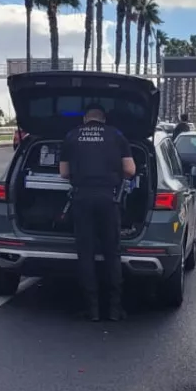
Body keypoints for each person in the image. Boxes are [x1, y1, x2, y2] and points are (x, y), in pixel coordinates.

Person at [59, 103, 135, 322]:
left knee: (86, 253)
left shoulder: (72, 136)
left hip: (82, 199)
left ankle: (92, 310)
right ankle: (114, 309)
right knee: (112, 252)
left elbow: (64, 173)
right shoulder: (116, 135)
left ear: (85, 119)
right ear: (103, 119)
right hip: (108, 199)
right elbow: (130, 170)